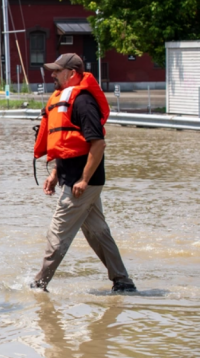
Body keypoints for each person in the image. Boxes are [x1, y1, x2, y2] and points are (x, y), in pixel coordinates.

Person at [31, 53, 136, 293]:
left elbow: (98, 144)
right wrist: (55, 173)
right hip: (76, 179)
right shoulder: (64, 99)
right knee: (98, 232)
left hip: (82, 183)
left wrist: (84, 180)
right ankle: (123, 281)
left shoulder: (83, 102)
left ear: (72, 73)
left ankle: (39, 284)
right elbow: (67, 145)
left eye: (57, 71)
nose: (53, 74)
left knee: (57, 232)